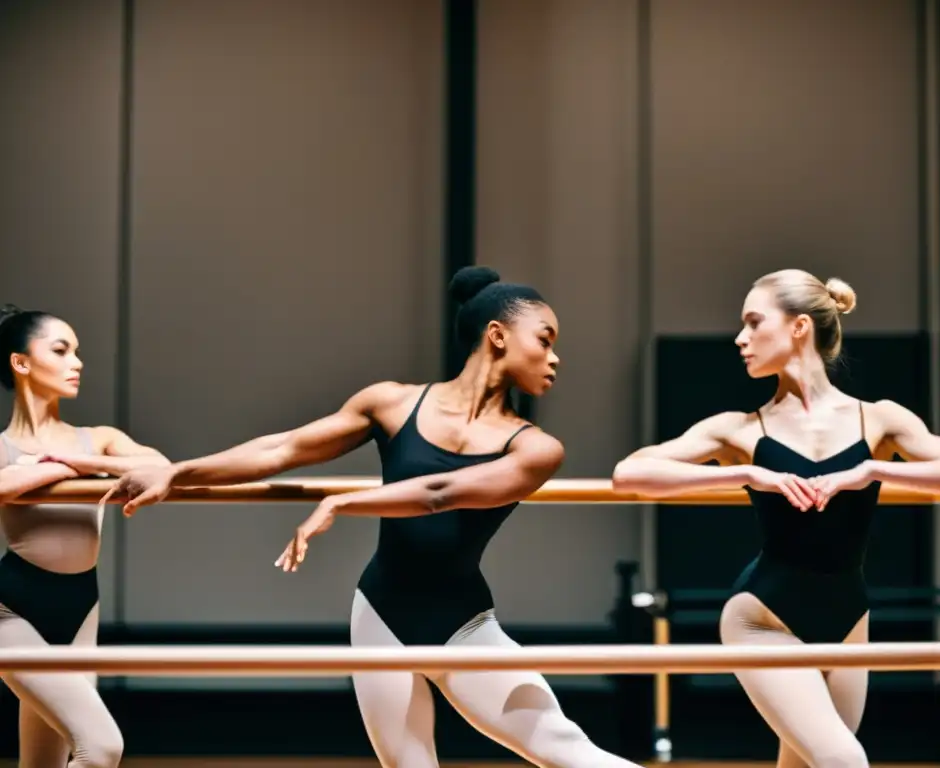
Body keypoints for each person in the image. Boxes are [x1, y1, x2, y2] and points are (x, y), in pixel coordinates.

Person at [101, 267, 641, 768]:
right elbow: (283, 449)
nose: (555, 357)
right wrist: (177, 473)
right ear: (498, 335)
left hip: (463, 625)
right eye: (544, 339)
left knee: (565, 750)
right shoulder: (390, 403)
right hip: (380, 613)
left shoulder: (537, 448)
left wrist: (343, 502)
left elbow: (441, 492)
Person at [612, 270, 940, 768]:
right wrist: (745, 474)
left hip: (849, 617)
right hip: (764, 617)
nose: (739, 338)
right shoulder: (740, 429)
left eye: (753, 322)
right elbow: (629, 473)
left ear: (799, 327)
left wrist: (873, 470)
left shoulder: (878, 419)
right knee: (844, 762)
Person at [0, 304, 169, 768]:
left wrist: (79, 464)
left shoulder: (97, 439)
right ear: (21, 363)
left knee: (43, 763)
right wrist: (43, 469)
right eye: (61, 350)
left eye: (77, 352)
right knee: (100, 747)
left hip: (80, 608)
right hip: (11, 610)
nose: (77, 363)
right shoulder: (2, 446)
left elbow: (160, 466)